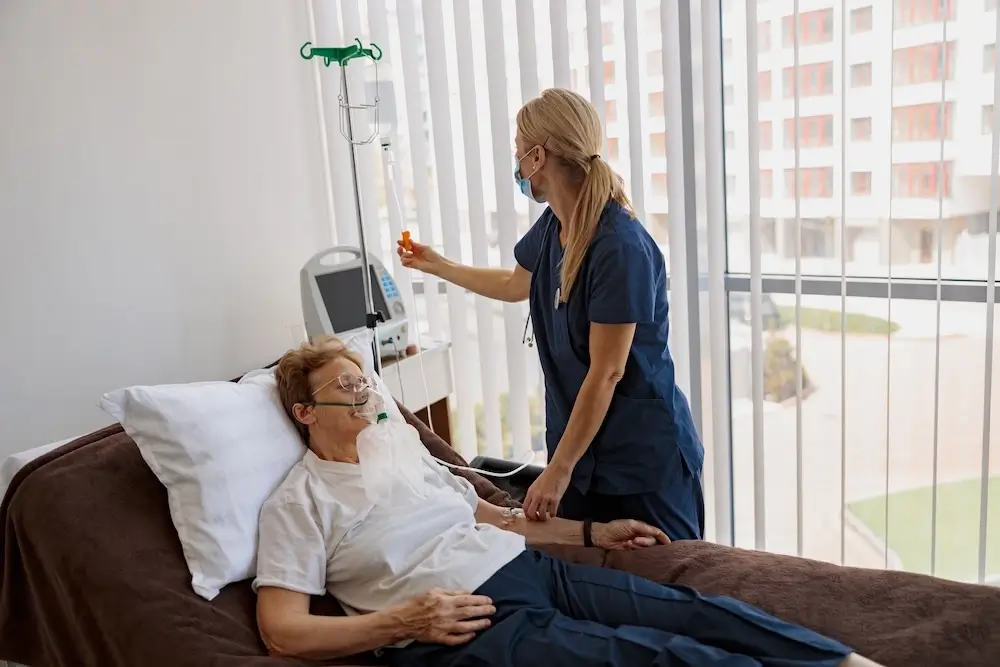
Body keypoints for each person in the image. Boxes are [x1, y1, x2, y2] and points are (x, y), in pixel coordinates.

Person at [252, 335, 882, 667]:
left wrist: (592, 534)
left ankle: (843, 662)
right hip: (465, 626)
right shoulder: (299, 502)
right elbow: (282, 633)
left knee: (692, 612)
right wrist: (403, 622)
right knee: (660, 659)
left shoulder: (405, 453)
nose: (367, 394)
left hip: (530, 571)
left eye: (367, 380)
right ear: (305, 412)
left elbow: (494, 516)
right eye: (347, 386)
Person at [398, 88, 703, 540]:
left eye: (518, 153)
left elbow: (608, 373)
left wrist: (558, 470)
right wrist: (436, 265)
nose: (517, 165)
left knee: (672, 576)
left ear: (538, 156)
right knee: (593, 580)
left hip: (640, 460)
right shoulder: (556, 226)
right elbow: (513, 283)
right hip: (582, 456)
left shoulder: (619, 247)